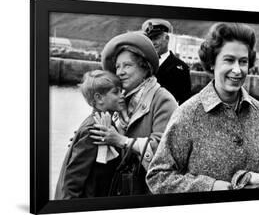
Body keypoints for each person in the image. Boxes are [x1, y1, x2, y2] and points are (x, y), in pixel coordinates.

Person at [146, 22, 259, 193]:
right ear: (212, 63)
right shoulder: (187, 114)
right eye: (229, 60)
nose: (237, 70)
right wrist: (209, 186)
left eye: (243, 61)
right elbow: (158, 177)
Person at [90, 32, 178, 195]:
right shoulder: (118, 100)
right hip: (118, 189)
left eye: (127, 65)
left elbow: (164, 151)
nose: (120, 72)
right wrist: (86, 136)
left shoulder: (163, 100)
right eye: (117, 66)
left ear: (145, 68)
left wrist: (121, 140)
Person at [54, 70, 126, 199]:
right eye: (116, 92)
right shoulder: (94, 129)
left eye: (121, 91)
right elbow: (73, 180)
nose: (122, 96)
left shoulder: (106, 124)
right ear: (99, 98)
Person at [142, 18, 192, 104]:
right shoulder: (143, 64)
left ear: (167, 38)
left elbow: (185, 101)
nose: (153, 42)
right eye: (150, 39)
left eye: (156, 38)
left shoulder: (181, 67)